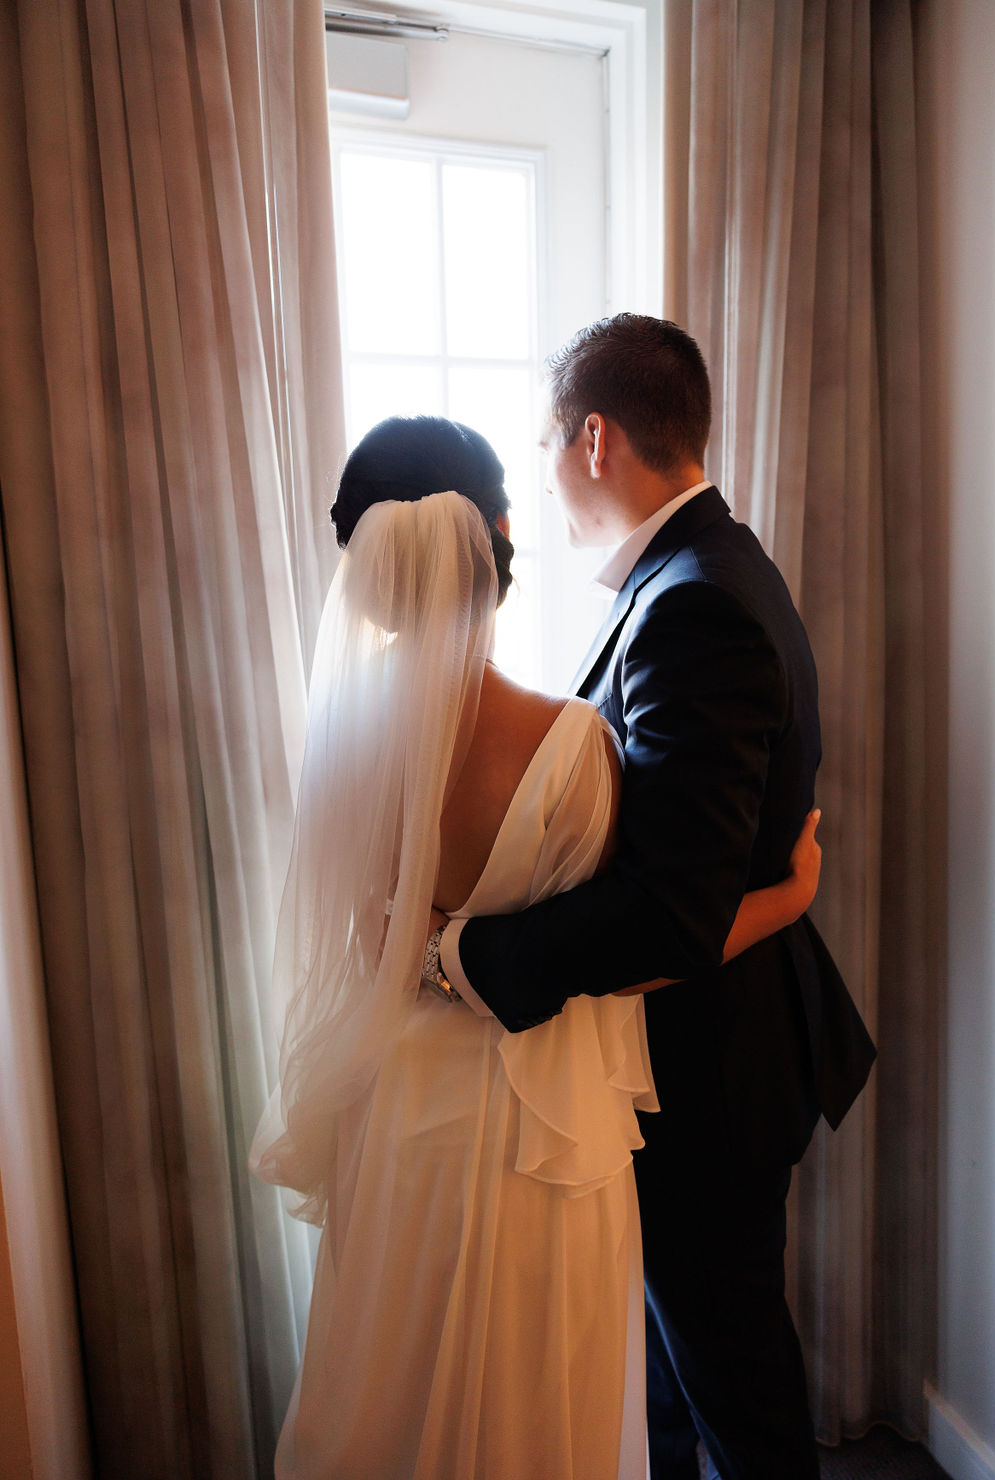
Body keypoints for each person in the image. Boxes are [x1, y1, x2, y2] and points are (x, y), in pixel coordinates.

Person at [250, 414, 823, 1480]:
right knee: (535, 1396)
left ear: (367, 569)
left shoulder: (335, 741)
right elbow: (645, 935)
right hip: (539, 1124)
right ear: (498, 542)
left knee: (390, 1371)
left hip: (397, 1105)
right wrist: (786, 897)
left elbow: (370, 932)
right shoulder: (571, 745)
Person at [430, 317, 878, 1480]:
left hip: (711, 1065)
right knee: (679, 1380)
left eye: (543, 444)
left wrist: (467, 956)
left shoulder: (695, 605)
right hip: (695, 1045)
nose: (540, 473)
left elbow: (671, 911)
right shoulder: (701, 574)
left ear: (594, 438)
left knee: (731, 1386)